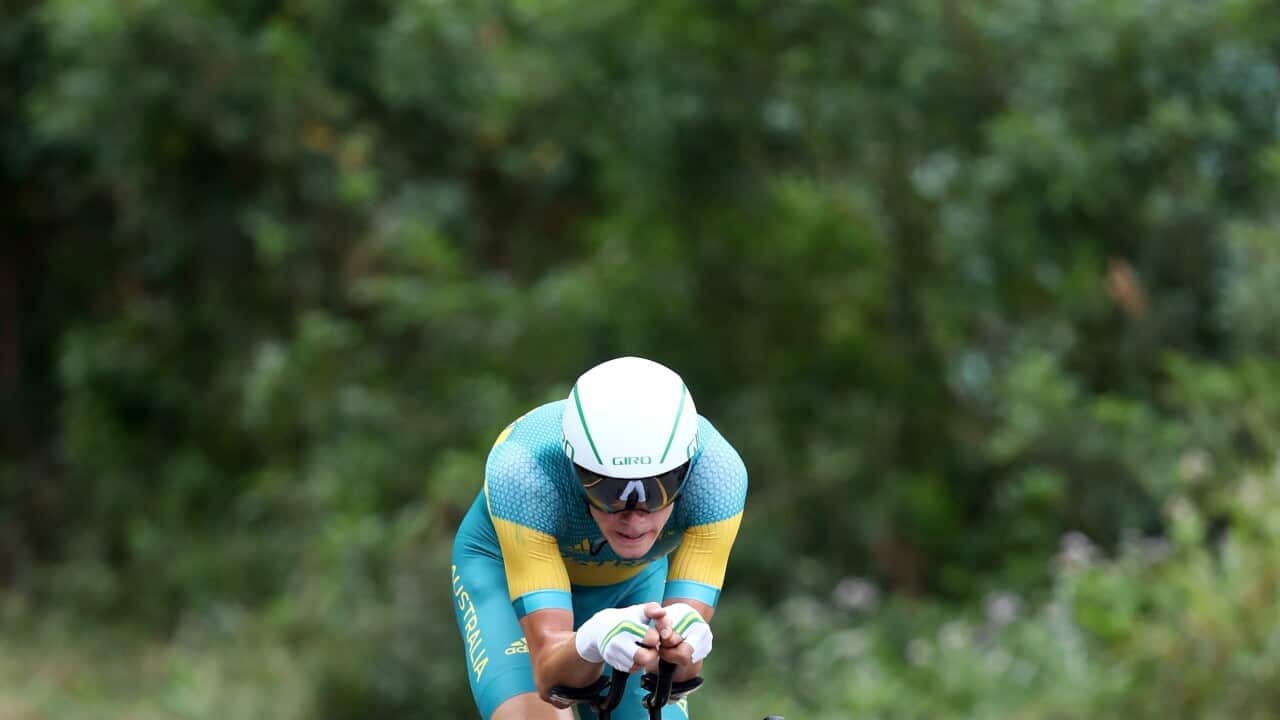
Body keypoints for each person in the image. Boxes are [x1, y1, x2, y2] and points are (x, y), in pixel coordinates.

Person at [451, 356, 749, 719]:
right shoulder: (525, 472)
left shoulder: (718, 477)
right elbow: (551, 679)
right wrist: (589, 641)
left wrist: (683, 648)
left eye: (658, 490)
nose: (634, 518)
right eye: (609, 492)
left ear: (685, 472)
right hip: (505, 568)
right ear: (576, 470)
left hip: (634, 580)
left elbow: (679, 675)